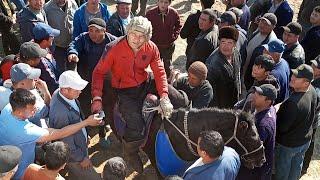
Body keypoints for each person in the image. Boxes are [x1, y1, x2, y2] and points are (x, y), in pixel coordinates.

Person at [91, 16, 173, 173]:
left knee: (176, 97)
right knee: (136, 127)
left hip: (145, 80)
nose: (137, 39)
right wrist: (97, 97)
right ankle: (130, 153)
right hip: (124, 90)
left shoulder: (151, 47)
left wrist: (164, 96)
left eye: (142, 36)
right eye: (134, 34)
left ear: (148, 36)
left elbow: (159, 71)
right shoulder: (113, 48)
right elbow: (98, 72)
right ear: (127, 32)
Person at [0, 89, 102, 179]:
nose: (35, 110)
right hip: (20, 172)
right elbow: (60, 133)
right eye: (31, 109)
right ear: (19, 112)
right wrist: (86, 122)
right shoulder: (26, 131)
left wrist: (44, 90)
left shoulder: (8, 109)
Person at [68, 18, 117, 146]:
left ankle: (102, 132)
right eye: (91, 30)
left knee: (104, 105)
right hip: (85, 80)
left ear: (104, 31)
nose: (93, 34)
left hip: (104, 82)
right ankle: (86, 131)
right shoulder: (83, 38)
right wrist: (73, 53)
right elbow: (73, 45)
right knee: (84, 106)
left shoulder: (112, 41)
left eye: (97, 31)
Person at [49, 71, 100, 180]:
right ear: (64, 89)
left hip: (79, 146)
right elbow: (65, 142)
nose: (80, 91)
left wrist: (84, 134)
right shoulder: (61, 113)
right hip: (75, 158)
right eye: (76, 88)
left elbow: (78, 117)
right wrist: (81, 158)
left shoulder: (60, 93)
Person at [275, 64, 319, 180]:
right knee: (296, 168)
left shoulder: (293, 103)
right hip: (304, 141)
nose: (292, 78)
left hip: (288, 145)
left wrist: (278, 110)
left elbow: (282, 128)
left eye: (297, 77)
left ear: (306, 83)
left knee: (282, 172)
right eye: (294, 74)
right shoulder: (313, 90)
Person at [237, 84, 277, 180]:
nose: (254, 95)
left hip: (255, 170)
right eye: (255, 92)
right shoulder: (271, 109)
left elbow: (250, 150)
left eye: (259, 95)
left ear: (268, 101)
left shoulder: (261, 125)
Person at [206, 26, 244, 108]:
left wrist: (239, 90)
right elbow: (211, 93)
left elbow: (238, 73)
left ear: (235, 44)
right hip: (221, 104)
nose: (225, 46)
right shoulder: (213, 64)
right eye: (223, 42)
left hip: (233, 98)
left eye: (229, 43)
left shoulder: (236, 53)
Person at [146, 0, 181, 76]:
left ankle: (168, 83)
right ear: (157, 2)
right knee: (155, 66)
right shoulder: (150, 13)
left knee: (167, 66)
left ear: (169, 3)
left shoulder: (173, 13)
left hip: (168, 46)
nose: (163, 4)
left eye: (166, 2)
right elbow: (146, 28)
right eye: (161, 2)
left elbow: (178, 26)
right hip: (155, 46)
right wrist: (150, 40)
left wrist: (174, 36)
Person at [243, 12, 278, 89]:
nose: (262, 25)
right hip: (245, 70)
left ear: (273, 27)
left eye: (266, 24)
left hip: (251, 78)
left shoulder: (271, 42)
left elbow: (265, 66)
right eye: (262, 21)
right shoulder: (258, 31)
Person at [44, 0, 79, 72]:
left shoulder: (73, 3)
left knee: (72, 71)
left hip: (72, 45)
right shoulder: (47, 8)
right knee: (60, 71)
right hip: (57, 46)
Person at [302, 56, 320, 175]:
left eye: (316, 67)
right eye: (313, 64)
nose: (312, 67)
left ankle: (305, 166)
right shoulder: (312, 78)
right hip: (309, 116)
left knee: (310, 140)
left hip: (313, 118)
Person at [32, 22, 61, 94]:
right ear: (44, 41)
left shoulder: (42, 46)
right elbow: (52, 81)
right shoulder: (40, 60)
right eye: (52, 36)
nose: (53, 38)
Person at [262, 39, 290, 104]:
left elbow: (267, 100)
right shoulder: (284, 62)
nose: (263, 53)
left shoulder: (272, 74)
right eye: (264, 50)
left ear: (276, 55)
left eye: (267, 52)